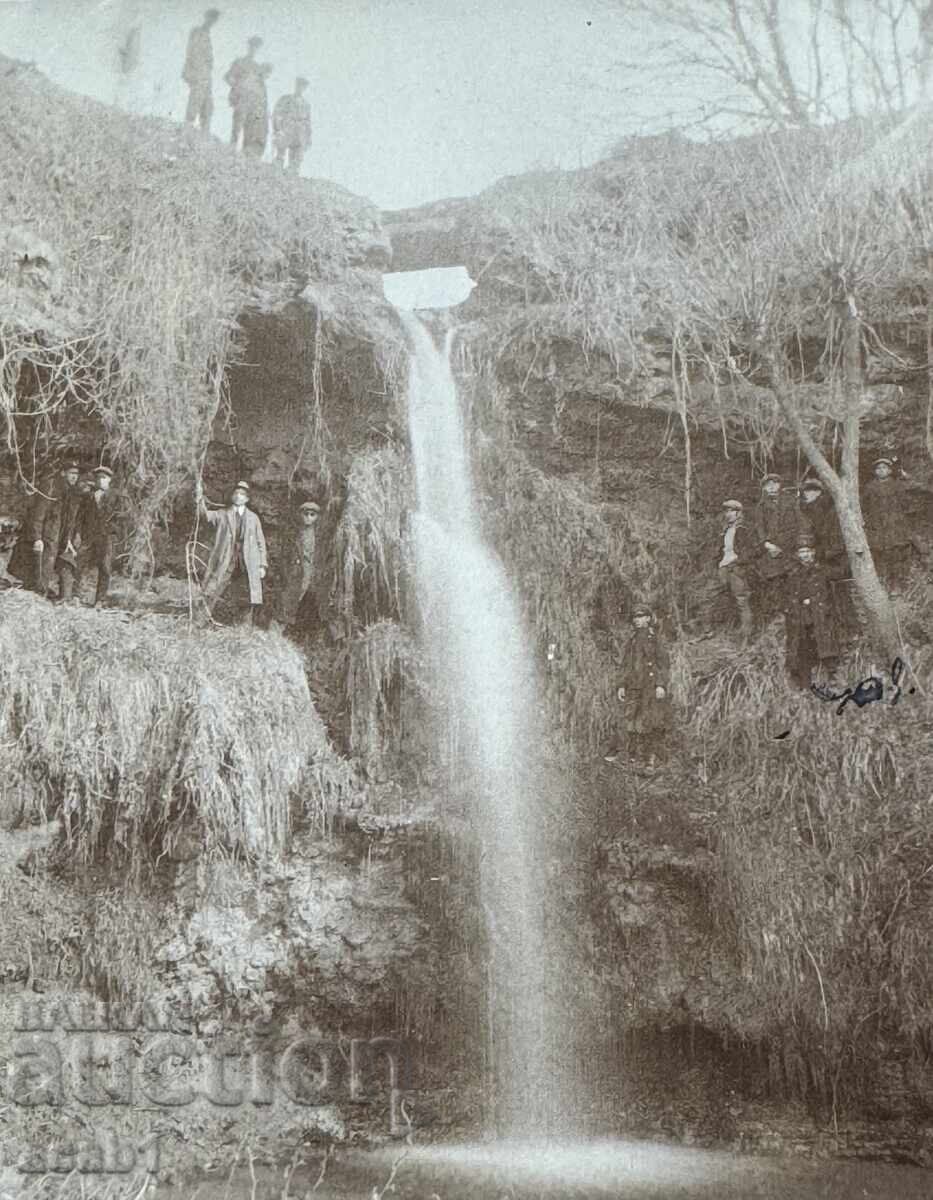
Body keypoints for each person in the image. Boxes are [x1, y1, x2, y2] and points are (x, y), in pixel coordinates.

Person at [605, 603, 671, 770]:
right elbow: (626, 665)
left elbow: (663, 664)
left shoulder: (655, 639)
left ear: (648, 619)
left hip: (650, 687)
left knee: (650, 722)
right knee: (630, 722)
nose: (637, 620)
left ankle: (650, 761)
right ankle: (632, 758)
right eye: (635, 617)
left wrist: (660, 685)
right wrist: (621, 685)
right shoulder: (632, 641)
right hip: (633, 687)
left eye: (641, 617)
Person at [196, 478, 267, 626]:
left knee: (249, 593)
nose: (238, 496)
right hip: (227, 557)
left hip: (248, 561)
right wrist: (199, 498)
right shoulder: (222, 514)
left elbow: (261, 543)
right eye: (236, 492)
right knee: (213, 588)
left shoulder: (254, 518)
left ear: (247, 498)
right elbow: (204, 515)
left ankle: (244, 627)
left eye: (242, 494)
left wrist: (262, 565)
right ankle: (199, 621)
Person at [782, 532, 839, 689]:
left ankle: (833, 675)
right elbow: (789, 595)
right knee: (800, 645)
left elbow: (838, 577)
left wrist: (813, 602)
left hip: (820, 613)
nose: (805, 555)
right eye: (802, 552)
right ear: (797, 555)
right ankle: (802, 682)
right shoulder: (794, 573)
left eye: (808, 551)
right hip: (800, 615)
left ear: (813, 552)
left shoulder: (822, 569)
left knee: (825, 640)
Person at [861, 457, 923, 592]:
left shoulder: (897, 485)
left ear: (889, 470)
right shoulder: (870, 487)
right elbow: (863, 507)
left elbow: (909, 504)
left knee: (897, 555)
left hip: (896, 526)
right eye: (878, 468)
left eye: (884, 468)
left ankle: (897, 585)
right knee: (879, 555)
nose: (881, 471)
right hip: (877, 526)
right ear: (874, 471)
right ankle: (882, 584)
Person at [25, 459, 83, 597]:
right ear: (63, 473)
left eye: (76, 474)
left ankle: (65, 597)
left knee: (67, 561)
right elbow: (38, 514)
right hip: (47, 534)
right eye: (71, 473)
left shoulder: (71, 493)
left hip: (61, 535)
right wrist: (37, 537)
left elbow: (69, 520)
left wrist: (68, 539)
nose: (75, 476)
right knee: (46, 562)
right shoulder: (50, 488)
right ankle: (40, 593)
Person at [272, 499, 322, 637]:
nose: (308, 517)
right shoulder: (293, 534)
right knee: (288, 600)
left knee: (310, 602)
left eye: (312, 515)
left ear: (317, 517)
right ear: (301, 515)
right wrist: (286, 571)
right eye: (306, 514)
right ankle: (277, 632)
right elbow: (284, 555)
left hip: (312, 573)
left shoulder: (319, 536)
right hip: (295, 572)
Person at [752, 472, 798, 624]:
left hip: (790, 547)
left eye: (775, 484)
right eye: (767, 485)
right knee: (775, 581)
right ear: (764, 488)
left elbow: (799, 523)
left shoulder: (791, 502)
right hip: (771, 549)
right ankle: (779, 615)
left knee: (793, 578)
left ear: (780, 485)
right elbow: (759, 529)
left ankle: (795, 611)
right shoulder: (761, 507)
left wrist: (794, 544)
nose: (771, 487)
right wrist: (767, 544)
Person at [80, 466, 119, 607]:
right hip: (89, 535)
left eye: (104, 478)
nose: (100, 480)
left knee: (105, 567)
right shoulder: (88, 496)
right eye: (98, 478)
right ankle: (75, 595)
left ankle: (100, 600)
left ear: (109, 480)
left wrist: (113, 529)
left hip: (107, 536)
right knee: (80, 562)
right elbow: (81, 516)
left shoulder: (115, 497)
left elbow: (122, 517)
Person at [717, 498, 754, 641]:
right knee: (727, 600)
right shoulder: (726, 530)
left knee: (742, 600)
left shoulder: (743, 530)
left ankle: (746, 636)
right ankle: (732, 631)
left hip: (736, 567)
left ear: (739, 513)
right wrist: (720, 564)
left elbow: (749, 552)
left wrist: (737, 563)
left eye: (732, 511)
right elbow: (722, 550)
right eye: (727, 511)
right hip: (724, 567)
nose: (729, 514)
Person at [182, 8, 221, 133]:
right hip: (198, 71)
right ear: (206, 17)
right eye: (211, 18)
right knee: (196, 98)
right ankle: (188, 126)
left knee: (207, 103)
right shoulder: (197, 31)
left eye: (214, 19)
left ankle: (205, 132)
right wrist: (190, 70)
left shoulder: (207, 35)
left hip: (205, 73)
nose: (212, 21)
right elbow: (191, 52)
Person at [224, 35, 263, 149]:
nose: (254, 49)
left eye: (256, 47)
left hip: (253, 101)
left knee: (249, 129)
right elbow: (228, 77)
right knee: (237, 126)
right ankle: (232, 148)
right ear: (248, 46)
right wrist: (237, 86)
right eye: (252, 46)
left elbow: (260, 87)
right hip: (241, 98)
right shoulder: (240, 62)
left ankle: (244, 154)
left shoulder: (257, 67)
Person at [273, 77, 312, 173]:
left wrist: (308, 136)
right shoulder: (286, 99)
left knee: (296, 155)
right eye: (299, 85)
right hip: (287, 128)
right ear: (296, 86)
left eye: (303, 86)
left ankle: (292, 173)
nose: (300, 88)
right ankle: (277, 171)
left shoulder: (306, 104)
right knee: (281, 152)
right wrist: (277, 129)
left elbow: (308, 121)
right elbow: (277, 113)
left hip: (300, 132)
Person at [241, 63, 273, 159]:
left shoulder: (262, 85)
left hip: (261, 118)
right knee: (250, 137)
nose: (267, 75)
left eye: (268, 73)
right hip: (252, 116)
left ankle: (254, 159)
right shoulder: (253, 82)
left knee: (260, 139)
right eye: (266, 72)